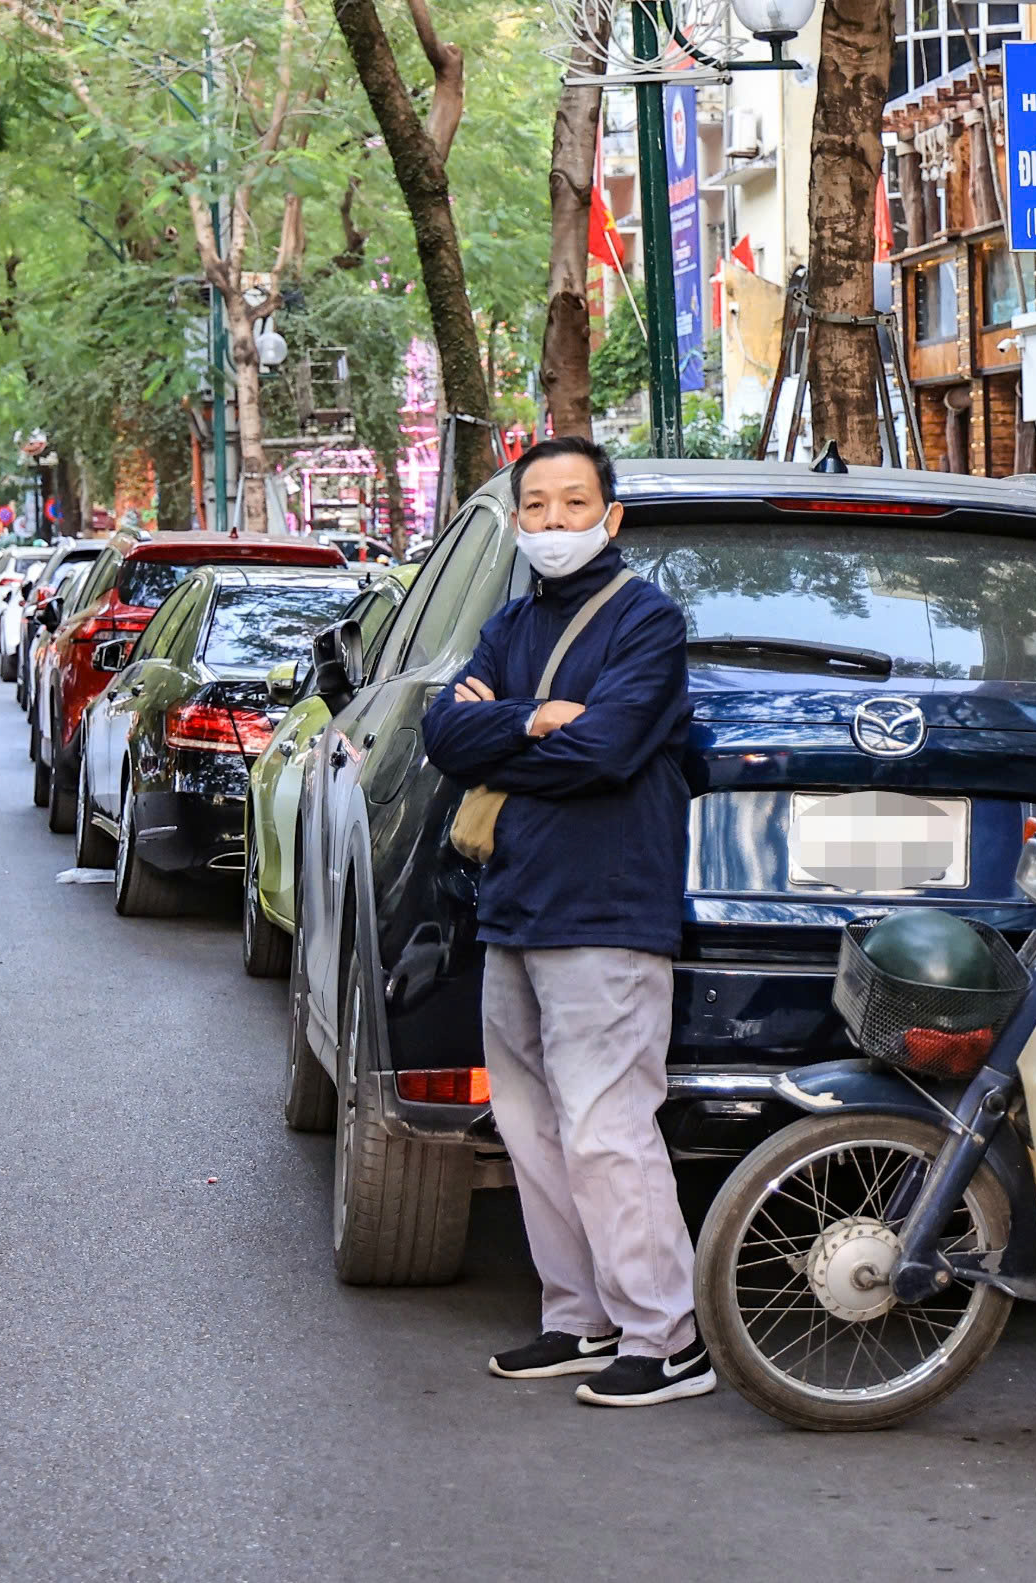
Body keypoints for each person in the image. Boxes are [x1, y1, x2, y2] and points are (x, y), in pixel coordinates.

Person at [419, 436, 711, 1410]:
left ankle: (666, 1336)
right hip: (514, 909)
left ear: (611, 517)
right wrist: (536, 720)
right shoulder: (506, 624)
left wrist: (510, 726)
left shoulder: (647, 622)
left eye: (572, 503)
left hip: (607, 911)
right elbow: (442, 736)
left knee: (604, 1126)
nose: (552, 523)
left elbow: (608, 749)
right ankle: (576, 1317)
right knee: (533, 1129)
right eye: (535, 506)